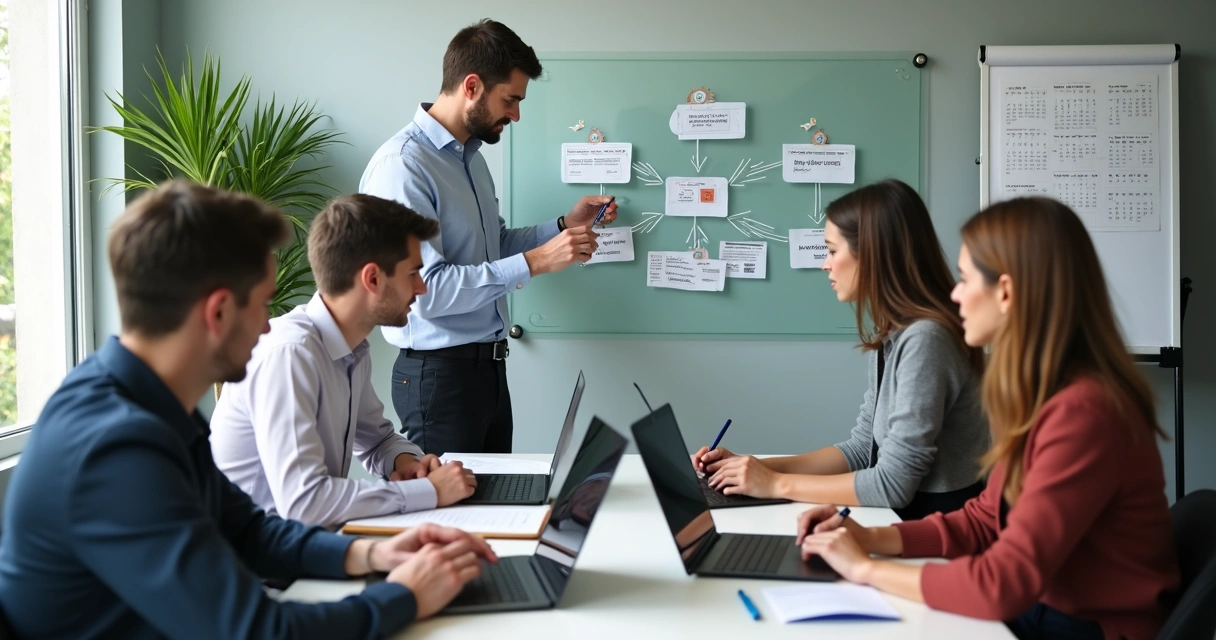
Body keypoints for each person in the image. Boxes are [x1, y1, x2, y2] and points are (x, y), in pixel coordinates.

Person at [0, 181, 498, 638]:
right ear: (218, 312)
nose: (266, 327)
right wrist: (405, 595)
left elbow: (245, 529)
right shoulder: (117, 447)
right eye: (262, 303)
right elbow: (256, 632)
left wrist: (373, 553)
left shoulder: (147, 404)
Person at [795, 197, 1179, 640]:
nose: (954, 294)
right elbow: (986, 518)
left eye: (964, 278)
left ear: (1006, 292)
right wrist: (870, 539)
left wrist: (864, 569)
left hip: (1085, 627)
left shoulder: (1084, 412)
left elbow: (1002, 585)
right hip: (1045, 608)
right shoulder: (1043, 392)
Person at [360, 19, 617, 455]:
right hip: (439, 379)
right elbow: (426, 293)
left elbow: (493, 246)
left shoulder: (472, 160)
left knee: (499, 498)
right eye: (510, 99)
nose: (515, 114)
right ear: (472, 86)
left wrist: (563, 226)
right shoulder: (403, 167)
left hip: (488, 373)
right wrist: (537, 262)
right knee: (446, 501)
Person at [694, 179, 989, 520]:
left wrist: (775, 484)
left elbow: (893, 484)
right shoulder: (896, 332)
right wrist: (752, 468)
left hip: (938, 524)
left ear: (874, 255)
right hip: (907, 516)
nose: (825, 264)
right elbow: (864, 449)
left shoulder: (926, 339)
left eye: (833, 251)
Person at [210, 194, 477, 530]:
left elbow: (377, 440)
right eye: (413, 273)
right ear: (373, 279)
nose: (422, 288)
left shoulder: (351, 348)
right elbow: (305, 502)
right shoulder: (290, 354)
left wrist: (406, 462)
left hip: (306, 541)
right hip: (257, 557)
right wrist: (427, 492)